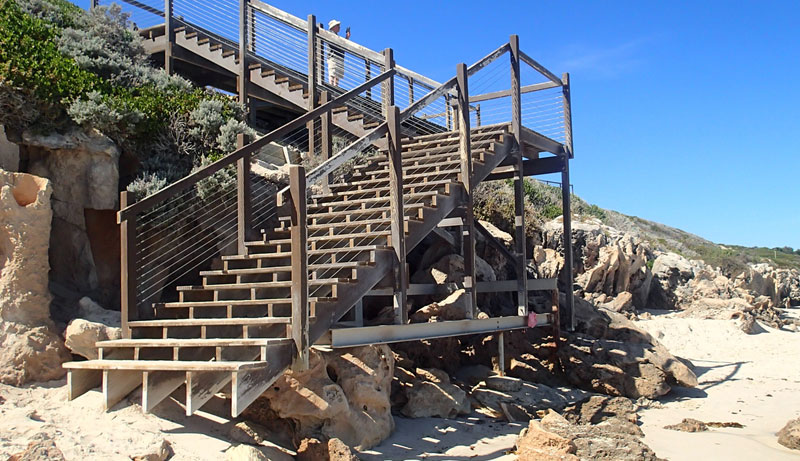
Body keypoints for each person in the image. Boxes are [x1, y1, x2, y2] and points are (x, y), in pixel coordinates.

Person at [327, 19, 350, 86]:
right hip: (333, 56)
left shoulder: (337, 36)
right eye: (338, 25)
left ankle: (335, 86)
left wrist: (347, 38)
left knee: (337, 74)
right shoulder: (330, 34)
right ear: (333, 27)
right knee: (332, 72)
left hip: (338, 56)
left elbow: (342, 46)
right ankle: (332, 85)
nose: (339, 27)